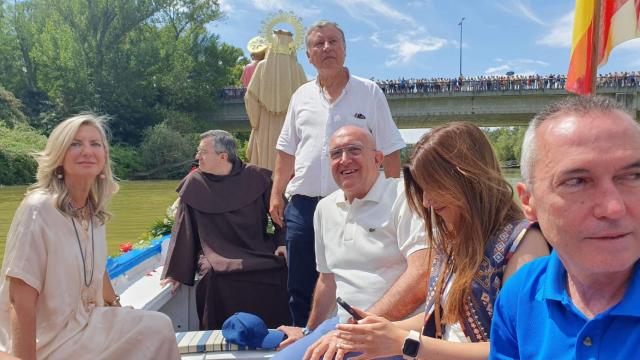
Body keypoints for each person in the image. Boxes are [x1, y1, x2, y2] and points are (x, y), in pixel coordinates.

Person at [334, 122, 549, 359]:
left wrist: (407, 343)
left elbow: (520, 349)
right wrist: (382, 330)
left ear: (466, 179)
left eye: (432, 187)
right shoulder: (452, 239)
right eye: (422, 189)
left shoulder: (524, 244)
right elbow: (444, 319)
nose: (426, 201)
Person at [0, 113, 179, 360]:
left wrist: (116, 307)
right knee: (155, 329)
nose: (87, 151)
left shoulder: (92, 214)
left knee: (158, 326)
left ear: (104, 157)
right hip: (51, 338)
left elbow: (97, 268)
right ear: (59, 156)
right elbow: (19, 299)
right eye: (75, 144)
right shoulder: (38, 210)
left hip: (87, 322)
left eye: (95, 144)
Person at [271, 20, 405, 327]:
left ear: (344, 49)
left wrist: (397, 198)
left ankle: (361, 336)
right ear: (308, 56)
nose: (326, 48)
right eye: (318, 44)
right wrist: (276, 193)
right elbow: (285, 150)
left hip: (356, 206)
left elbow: (391, 149)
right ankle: (307, 340)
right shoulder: (300, 97)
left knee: (363, 277)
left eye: (333, 42)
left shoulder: (369, 93)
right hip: (304, 207)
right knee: (300, 286)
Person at [489, 96, 640, 359]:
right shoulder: (520, 295)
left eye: (633, 177)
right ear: (528, 201)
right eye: (577, 181)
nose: (613, 207)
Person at [273, 126, 428, 360]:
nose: (344, 160)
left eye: (354, 150)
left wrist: (355, 331)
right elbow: (327, 280)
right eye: (336, 154)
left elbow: (421, 276)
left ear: (377, 158)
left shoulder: (405, 196)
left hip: (395, 331)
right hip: (344, 327)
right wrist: (310, 332)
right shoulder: (324, 209)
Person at [161, 130, 291, 329]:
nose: (197, 157)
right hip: (215, 252)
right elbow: (183, 230)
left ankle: (277, 333)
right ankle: (218, 336)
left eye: (203, 152)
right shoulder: (194, 183)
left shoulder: (257, 177)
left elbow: (280, 210)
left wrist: (282, 242)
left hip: (255, 246)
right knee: (211, 275)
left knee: (279, 268)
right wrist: (175, 272)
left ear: (223, 157)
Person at [245, 30, 307, 171]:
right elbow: (308, 100)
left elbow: (250, 97)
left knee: (264, 170)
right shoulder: (298, 69)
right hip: (290, 125)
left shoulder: (261, 66)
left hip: (264, 124)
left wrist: (256, 123)